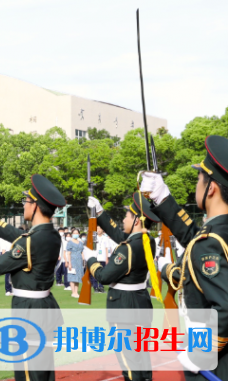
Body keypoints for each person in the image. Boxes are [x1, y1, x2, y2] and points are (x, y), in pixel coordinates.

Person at [141, 135, 228, 379]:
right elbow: (195, 237)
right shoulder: (217, 233)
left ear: (211, 188)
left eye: (199, 179)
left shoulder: (210, 242)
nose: (196, 186)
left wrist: (200, 355)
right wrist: (161, 197)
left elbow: (226, 307)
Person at [0, 174, 65, 381]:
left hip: (29, 310)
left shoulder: (30, 241)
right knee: (43, 369)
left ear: (36, 206)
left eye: (26, 201)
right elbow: (14, 233)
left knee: (28, 371)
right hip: (45, 307)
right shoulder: (50, 234)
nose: (24, 206)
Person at [84, 192, 158, 381]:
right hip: (140, 303)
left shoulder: (129, 248)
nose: (124, 218)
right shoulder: (147, 240)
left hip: (125, 308)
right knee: (141, 358)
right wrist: (100, 212)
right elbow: (119, 234)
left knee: (129, 362)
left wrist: (90, 258)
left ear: (137, 221)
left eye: (127, 215)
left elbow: (104, 277)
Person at [65, 228, 84, 298]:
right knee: (72, 276)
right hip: (73, 260)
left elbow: (82, 252)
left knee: (78, 277)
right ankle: (73, 292)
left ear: (79, 234)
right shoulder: (70, 242)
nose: (76, 234)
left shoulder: (81, 242)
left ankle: (76, 292)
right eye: (74, 233)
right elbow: (68, 253)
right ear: (72, 234)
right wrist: (69, 263)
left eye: (77, 233)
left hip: (79, 261)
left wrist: (83, 260)